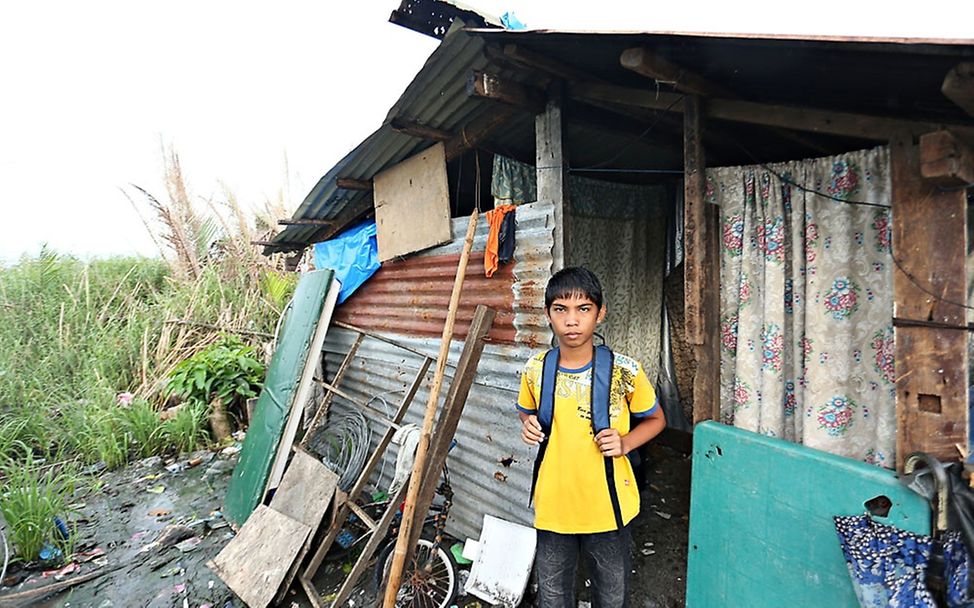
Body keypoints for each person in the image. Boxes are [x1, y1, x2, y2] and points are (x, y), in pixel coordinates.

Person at [517, 266, 666, 608]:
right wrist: (527, 422)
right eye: (561, 310)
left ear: (600, 314)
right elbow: (524, 409)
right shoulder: (535, 368)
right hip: (554, 506)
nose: (572, 321)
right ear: (548, 315)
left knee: (611, 597)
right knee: (553, 597)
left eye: (583, 309)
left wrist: (626, 442)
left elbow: (657, 419)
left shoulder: (626, 371)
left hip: (609, 507)